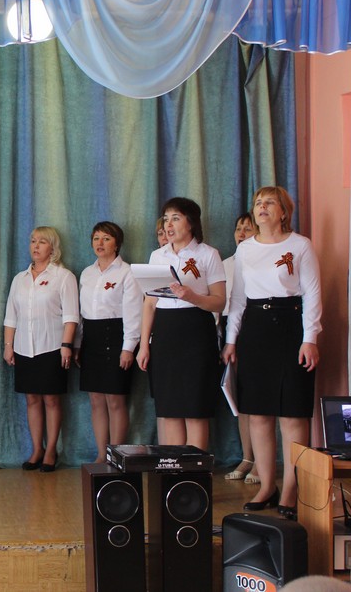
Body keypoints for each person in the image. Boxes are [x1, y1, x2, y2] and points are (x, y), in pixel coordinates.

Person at [223, 186, 321, 518]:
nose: (262, 207)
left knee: (292, 414)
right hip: (255, 329)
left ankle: (292, 487)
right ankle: (267, 485)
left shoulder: (300, 245)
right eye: (257, 203)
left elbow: (312, 294)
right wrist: (231, 340)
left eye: (269, 202)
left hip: (291, 327)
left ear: (283, 212)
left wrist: (310, 338)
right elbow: (237, 299)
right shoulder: (245, 249)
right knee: (259, 413)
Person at [137, 197, 225, 450]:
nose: (169, 225)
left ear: (191, 222)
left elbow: (219, 301)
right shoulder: (157, 256)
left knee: (195, 409)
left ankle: (194, 470)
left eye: (175, 218)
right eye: (166, 219)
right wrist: (144, 345)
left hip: (196, 331)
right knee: (170, 409)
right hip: (165, 332)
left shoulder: (208, 254)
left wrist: (192, 296)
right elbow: (150, 303)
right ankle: (173, 469)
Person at [3, 227, 79, 472]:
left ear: (53, 248)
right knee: (32, 399)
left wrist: (66, 345)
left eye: (42, 242)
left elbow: (71, 316)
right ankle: (36, 449)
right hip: (24, 348)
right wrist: (8, 346)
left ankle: (51, 450)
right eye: (33, 241)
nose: (36, 246)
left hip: (52, 347)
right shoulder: (20, 278)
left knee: (52, 400)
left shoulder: (63, 277)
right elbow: (11, 316)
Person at [77, 222, 141, 463]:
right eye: (96, 238)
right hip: (91, 337)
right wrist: (77, 344)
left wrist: (128, 348)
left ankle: (116, 454)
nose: (100, 243)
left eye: (106, 238)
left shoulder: (127, 272)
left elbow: (134, 313)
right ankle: (100, 453)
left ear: (117, 243)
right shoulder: (87, 273)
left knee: (115, 400)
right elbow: (82, 314)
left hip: (116, 336)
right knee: (96, 400)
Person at [222, 213, 259, 484]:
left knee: (258, 401)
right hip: (229, 331)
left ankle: (261, 462)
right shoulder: (226, 264)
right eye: (238, 229)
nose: (241, 233)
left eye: (248, 228)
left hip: (254, 324)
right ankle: (247, 457)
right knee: (240, 400)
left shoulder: (260, 260)